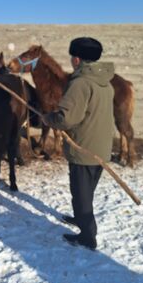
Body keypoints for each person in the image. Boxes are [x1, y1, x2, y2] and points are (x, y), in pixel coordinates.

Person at [41, 37, 115, 250]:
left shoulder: (80, 83)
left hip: (84, 148)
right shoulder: (104, 81)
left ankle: (87, 236)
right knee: (87, 189)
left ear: (76, 58)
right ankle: (80, 219)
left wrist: (48, 119)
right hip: (100, 147)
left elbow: (66, 119)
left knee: (81, 193)